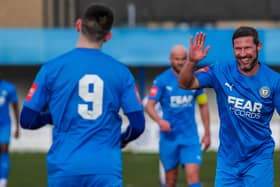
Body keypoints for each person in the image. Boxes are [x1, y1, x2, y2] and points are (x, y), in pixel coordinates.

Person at [20, 3, 145, 187]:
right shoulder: (121, 72)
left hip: (64, 167)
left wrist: (49, 118)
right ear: (108, 36)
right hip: (105, 167)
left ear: (78, 25)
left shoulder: (51, 68)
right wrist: (123, 139)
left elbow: (27, 120)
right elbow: (138, 125)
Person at [178, 26, 280, 187]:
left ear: (258, 46)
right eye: (238, 49)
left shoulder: (274, 81)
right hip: (228, 161)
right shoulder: (220, 71)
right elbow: (185, 83)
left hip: (259, 159)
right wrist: (192, 61)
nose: (243, 53)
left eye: (247, 48)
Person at [145, 45, 211, 187]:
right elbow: (149, 106)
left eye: (183, 59)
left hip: (190, 137)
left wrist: (207, 133)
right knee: (170, 180)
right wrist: (160, 121)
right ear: (170, 59)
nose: (180, 62)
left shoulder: (194, 79)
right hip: (169, 138)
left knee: (193, 176)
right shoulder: (162, 80)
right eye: (177, 59)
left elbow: (203, 105)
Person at [0, 75, 20, 187]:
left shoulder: (9, 88)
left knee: (3, 149)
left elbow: (15, 107)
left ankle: (3, 181)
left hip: (4, 125)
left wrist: (17, 127)